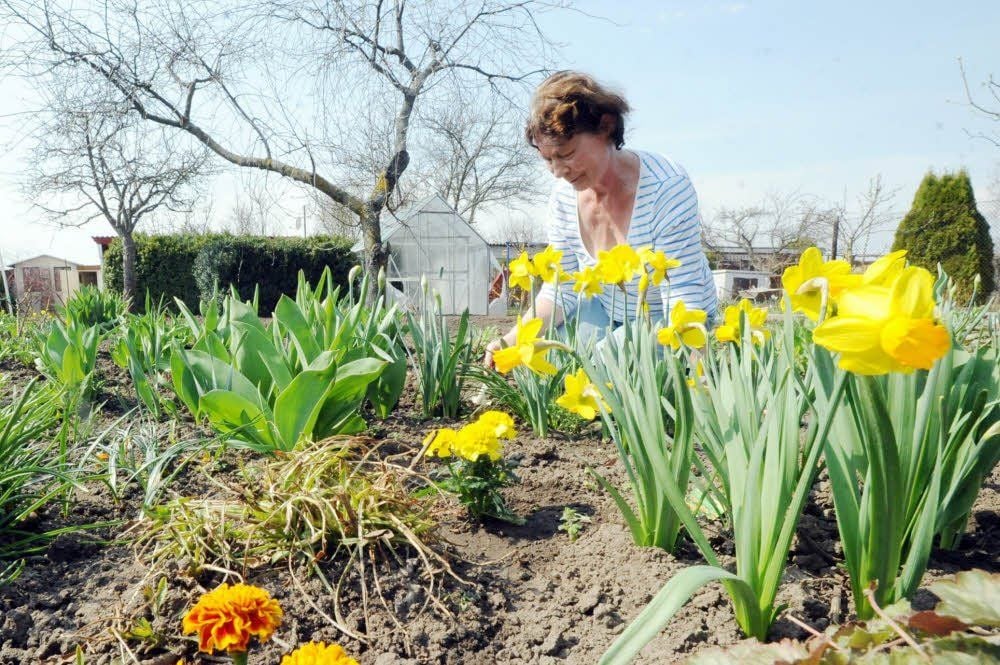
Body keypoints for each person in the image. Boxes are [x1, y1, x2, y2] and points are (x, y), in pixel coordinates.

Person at [483, 71, 718, 368]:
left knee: (604, 365)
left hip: (669, 314)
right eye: (548, 159)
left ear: (605, 127)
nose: (558, 171)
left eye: (566, 154)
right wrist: (512, 340)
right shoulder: (563, 200)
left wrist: (698, 377)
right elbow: (560, 290)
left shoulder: (666, 186)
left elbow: (684, 292)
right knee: (551, 361)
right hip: (606, 310)